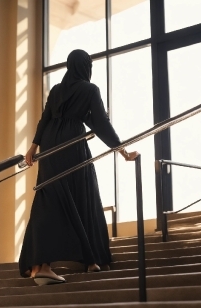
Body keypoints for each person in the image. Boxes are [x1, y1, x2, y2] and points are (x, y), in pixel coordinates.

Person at [18, 49, 139, 286]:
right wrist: (123, 151)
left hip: (50, 146)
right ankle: (90, 259)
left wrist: (32, 149)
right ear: (86, 67)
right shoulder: (90, 89)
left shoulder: (56, 90)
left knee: (51, 196)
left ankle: (52, 264)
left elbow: (45, 120)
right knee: (83, 194)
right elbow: (101, 123)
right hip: (72, 143)